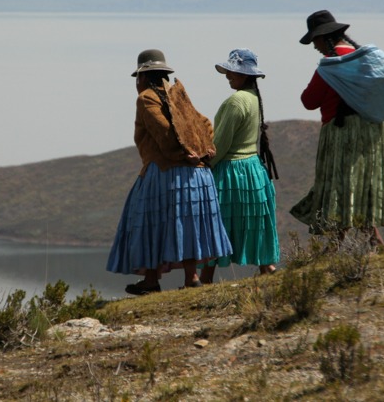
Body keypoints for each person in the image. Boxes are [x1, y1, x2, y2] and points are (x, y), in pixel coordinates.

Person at [106, 49, 233, 294]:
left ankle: (155, 281)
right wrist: (204, 151)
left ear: (142, 78)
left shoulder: (146, 98)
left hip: (167, 172)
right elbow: (204, 123)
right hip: (197, 175)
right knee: (186, 223)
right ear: (164, 75)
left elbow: (163, 133)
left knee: (147, 221)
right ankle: (187, 277)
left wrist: (181, 155)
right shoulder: (178, 96)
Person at [290, 10, 384, 250]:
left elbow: (309, 101)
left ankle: (335, 247)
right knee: (362, 185)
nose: (315, 47)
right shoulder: (365, 61)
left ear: (325, 37)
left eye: (316, 40)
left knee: (340, 186)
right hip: (372, 133)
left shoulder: (330, 67)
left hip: (342, 133)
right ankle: (373, 242)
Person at [199, 49, 279, 284]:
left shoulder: (236, 102)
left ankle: (205, 278)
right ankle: (267, 268)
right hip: (252, 169)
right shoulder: (254, 98)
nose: (228, 76)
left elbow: (221, 143)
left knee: (217, 221)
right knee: (253, 221)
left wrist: (204, 164)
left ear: (245, 75)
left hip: (232, 171)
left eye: (233, 72)